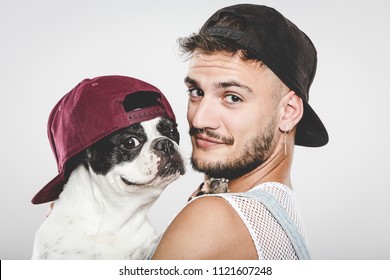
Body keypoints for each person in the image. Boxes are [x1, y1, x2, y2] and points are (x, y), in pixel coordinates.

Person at [152, 4, 328, 260]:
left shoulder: (214, 219)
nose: (200, 119)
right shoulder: (281, 219)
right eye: (196, 92)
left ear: (288, 111)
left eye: (232, 97)